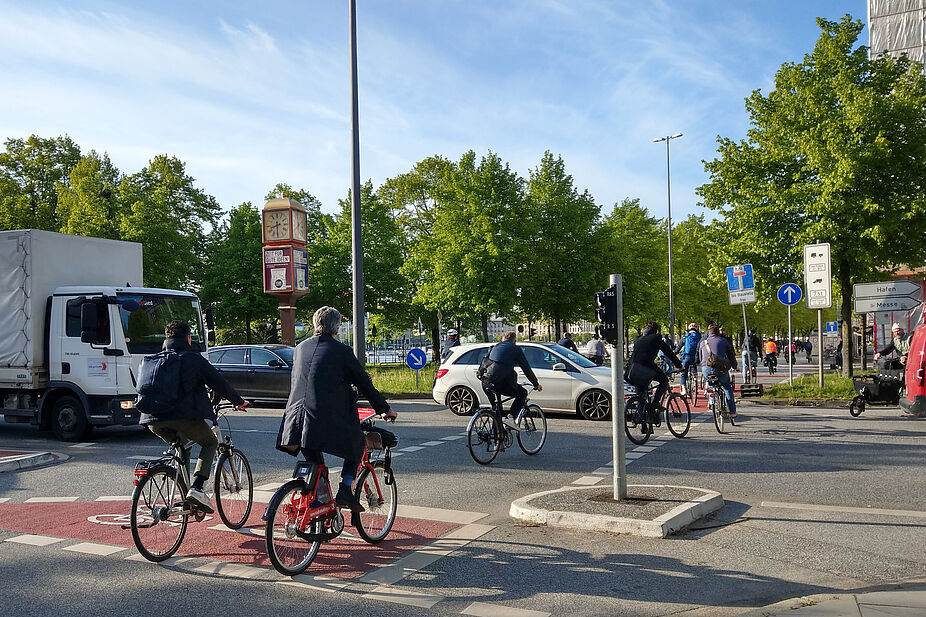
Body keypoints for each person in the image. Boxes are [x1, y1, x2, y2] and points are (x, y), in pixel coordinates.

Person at [277, 306, 397, 512]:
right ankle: (345, 489)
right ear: (337, 328)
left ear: (315, 324)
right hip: (323, 420)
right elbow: (364, 384)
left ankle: (318, 506)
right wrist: (384, 409)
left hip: (294, 420)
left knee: (316, 463)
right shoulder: (341, 352)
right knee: (358, 443)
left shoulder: (300, 349)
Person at [142, 320, 249, 512]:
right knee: (210, 443)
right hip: (183, 416)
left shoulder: (154, 359)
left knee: (182, 445)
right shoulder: (193, 358)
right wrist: (238, 401)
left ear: (166, 338)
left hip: (152, 419)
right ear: (188, 338)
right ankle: (197, 488)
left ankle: (186, 495)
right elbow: (218, 383)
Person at [481, 331, 543, 431]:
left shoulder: (494, 347)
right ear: (514, 341)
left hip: (485, 382)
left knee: (497, 410)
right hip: (499, 383)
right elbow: (526, 368)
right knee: (522, 393)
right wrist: (536, 384)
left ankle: (497, 438)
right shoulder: (515, 349)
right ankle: (510, 418)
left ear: (503, 339)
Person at [627, 322, 683, 424]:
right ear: (656, 330)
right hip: (646, 367)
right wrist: (679, 366)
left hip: (633, 369)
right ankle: (656, 403)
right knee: (664, 381)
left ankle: (641, 418)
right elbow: (669, 353)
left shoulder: (638, 339)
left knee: (641, 393)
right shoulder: (656, 339)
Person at [698, 323, 738, 418]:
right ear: (718, 333)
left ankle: (711, 399)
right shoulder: (723, 341)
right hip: (721, 368)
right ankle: (732, 411)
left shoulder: (703, 343)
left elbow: (700, 358)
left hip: (706, 368)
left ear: (709, 333)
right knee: (727, 387)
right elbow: (731, 356)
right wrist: (734, 366)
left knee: (710, 383)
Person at [675, 323, 701, 396]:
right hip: (696, 358)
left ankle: (684, 389)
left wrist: (675, 353)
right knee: (694, 369)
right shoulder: (699, 337)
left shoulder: (685, 336)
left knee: (683, 372)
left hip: (687, 357)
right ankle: (695, 382)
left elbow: (678, 348)